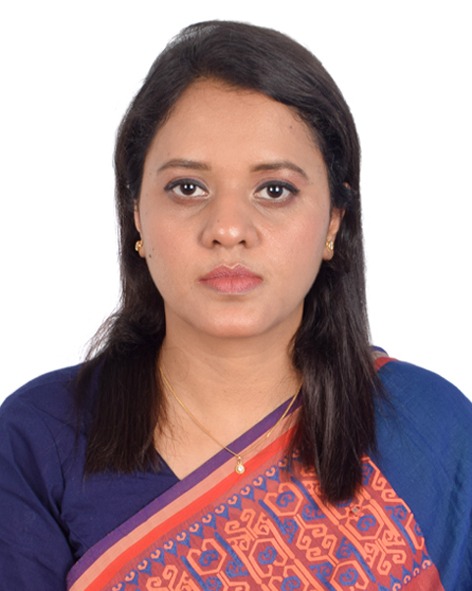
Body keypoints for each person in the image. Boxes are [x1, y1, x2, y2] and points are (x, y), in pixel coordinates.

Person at [0, 20, 470, 591]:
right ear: (136, 215)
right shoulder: (39, 439)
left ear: (334, 221)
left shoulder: (430, 433)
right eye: (187, 188)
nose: (227, 228)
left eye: (274, 190)